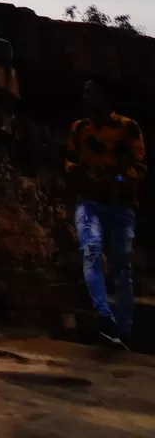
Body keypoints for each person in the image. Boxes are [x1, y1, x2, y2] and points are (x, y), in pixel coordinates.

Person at [65, 79, 147, 348]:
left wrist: (117, 181)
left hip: (121, 205)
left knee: (122, 264)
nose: (85, 96)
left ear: (104, 95)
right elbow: (69, 161)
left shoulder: (127, 127)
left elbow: (140, 168)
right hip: (89, 202)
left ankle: (124, 330)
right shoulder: (79, 128)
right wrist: (80, 177)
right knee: (91, 250)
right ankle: (104, 317)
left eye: (91, 92)